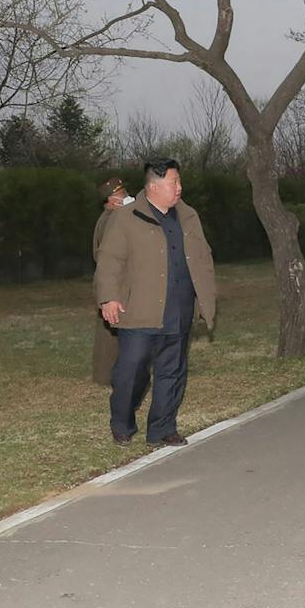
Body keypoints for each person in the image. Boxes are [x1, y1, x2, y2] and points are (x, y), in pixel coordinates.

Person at [94, 158, 217, 447]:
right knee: (131, 370)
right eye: (174, 182)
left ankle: (163, 428)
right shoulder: (125, 218)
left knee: (172, 372)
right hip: (139, 310)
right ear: (153, 186)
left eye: (178, 181)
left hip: (179, 309)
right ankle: (122, 422)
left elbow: (203, 257)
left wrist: (205, 297)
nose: (179, 188)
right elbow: (109, 260)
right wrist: (109, 297)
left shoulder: (188, 217)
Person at [90, 177, 132, 386]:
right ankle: (108, 376)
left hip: (114, 280)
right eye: (120, 195)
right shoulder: (109, 220)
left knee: (112, 331)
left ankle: (109, 374)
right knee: (111, 334)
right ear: (111, 200)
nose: (124, 197)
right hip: (113, 282)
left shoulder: (114, 217)